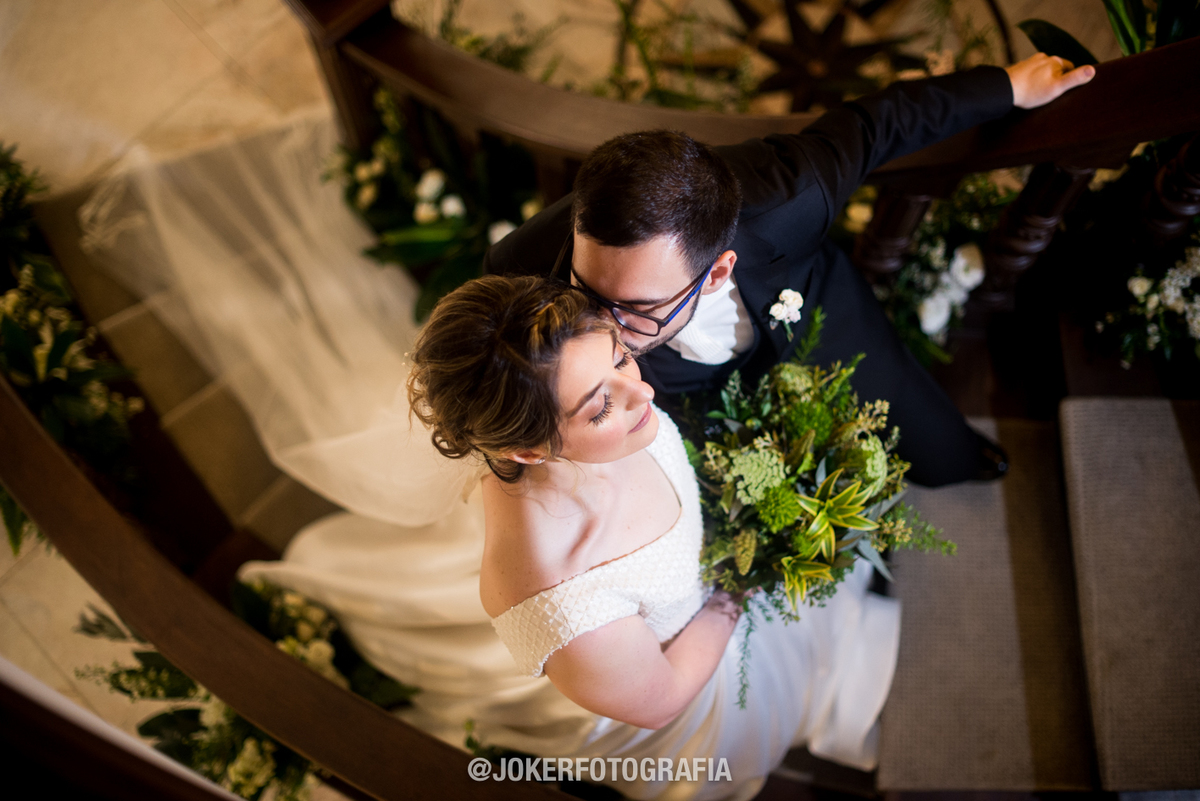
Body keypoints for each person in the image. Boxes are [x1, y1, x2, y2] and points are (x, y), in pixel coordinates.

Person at [243, 274, 900, 801]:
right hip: (697, 686)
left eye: (620, 357)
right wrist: (737, 592)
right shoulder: (560, 596)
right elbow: (663, 698)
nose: (642, 392)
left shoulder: (586, 395)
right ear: (529, 450)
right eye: (601, 405)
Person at [484, 54, 1096, 487]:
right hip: (667, 398)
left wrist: (1009, 87)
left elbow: (876, 124)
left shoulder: (793, 196)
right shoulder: (518, 270)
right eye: (588, 290)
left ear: (718, 271)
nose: (605, 326)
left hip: (813, 314)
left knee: (928, 441)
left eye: (638, 307)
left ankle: (956, 461)